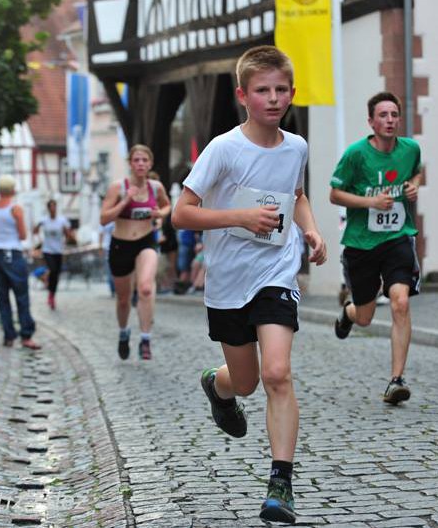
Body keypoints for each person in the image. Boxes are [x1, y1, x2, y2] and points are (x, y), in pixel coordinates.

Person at [173, 45, 326, 524]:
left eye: (281, 90)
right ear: (243, 95)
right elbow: (181, 213)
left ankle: (281, 482)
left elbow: (296, 195)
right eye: (263, 90)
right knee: (245, 381)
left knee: (278, 373)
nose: (274, 98)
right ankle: (216, 387)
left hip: (276, 273)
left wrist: (310, 228)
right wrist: (239, 215)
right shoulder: (223, 149)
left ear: (292, 93)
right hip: (228, 281)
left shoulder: (296, 146)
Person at [330, 91, 423, 405]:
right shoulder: (356, 155)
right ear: (371, 121)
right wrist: (369, 201)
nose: (390, 120)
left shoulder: (410, 149)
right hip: (361, 244)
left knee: (400, 302)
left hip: (398, 237)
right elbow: (335, 194)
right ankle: (349, 312)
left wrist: (414, 186)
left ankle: (396, 380)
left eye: (394, 114)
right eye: (383, 115)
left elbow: (416, 172)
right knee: (366, 317)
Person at [99, 145, 171, 360]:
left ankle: (146, 339)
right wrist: (125, 201)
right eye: (136, 160)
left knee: (146, 288)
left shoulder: (155, 187)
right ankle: (123, 333)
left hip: (146, 241)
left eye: (144, 160)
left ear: (150, 164)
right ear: (130, 163)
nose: (140, 164)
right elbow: (104, 218)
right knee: (123, 299)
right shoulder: (118, 187)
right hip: (120, 245)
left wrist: (161, 213)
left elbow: (167, 205)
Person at [0, 175, 41, 350]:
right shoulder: (15, 208)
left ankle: (9, 335)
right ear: (13, 190)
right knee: (21, 295)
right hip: (12, 253)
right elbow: (23, 234)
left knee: (2, 297)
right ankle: (26, 335)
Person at [33, 199, 74, 310]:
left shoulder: (61, 220)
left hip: (58, 250)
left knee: (56, 274)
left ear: (56, 208)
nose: (52, 209)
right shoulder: (44, 220)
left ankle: (52, 295)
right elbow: (35, 230)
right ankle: (49, 288)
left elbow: (69, 235)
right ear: (48, 208)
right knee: (53, 269)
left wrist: (67, 236)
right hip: (47, 250)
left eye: (54, 207)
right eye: (50, 207)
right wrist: (39, 238)